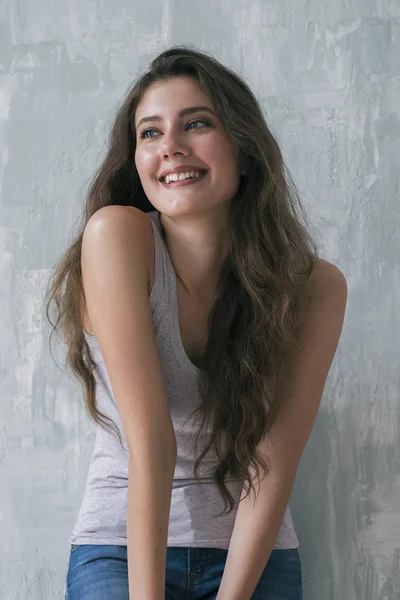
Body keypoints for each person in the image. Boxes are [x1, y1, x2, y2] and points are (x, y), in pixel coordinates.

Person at [45, 45, 347, 600]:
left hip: (254, 555)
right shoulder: (117, 237)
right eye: (150, 133)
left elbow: (273, 462)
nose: (171, 148)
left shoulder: (313, 288)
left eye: (197, 124)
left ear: (245, 147)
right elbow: (152, 444)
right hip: (121, 549)